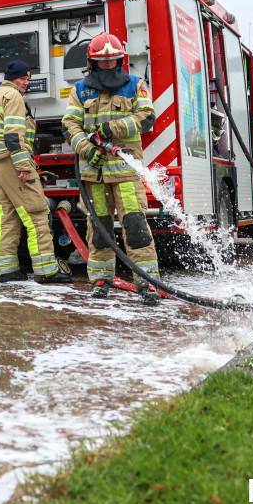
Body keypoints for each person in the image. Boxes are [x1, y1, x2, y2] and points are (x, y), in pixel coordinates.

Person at [62, 34, 161, 305]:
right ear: (93, 63)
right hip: (93, 173)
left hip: (125, 172)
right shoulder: (80, 89)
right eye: (102, 62)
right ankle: (101, 281)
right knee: (99, 228)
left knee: (135, 226)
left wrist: (111, 129)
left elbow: (147, 117)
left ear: (120, 60)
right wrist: (87, 148)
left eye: (112, 61)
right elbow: (70, 124)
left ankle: (147, 282)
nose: (108, 66)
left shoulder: (135, 86)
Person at [0, 60, 71, 284]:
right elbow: (13, 136)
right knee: (36, 213)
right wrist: (23, 166)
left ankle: (8, 269)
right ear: (13, 78)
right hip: (11, 162)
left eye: (28, 79)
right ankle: (46, 270)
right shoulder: (13, 97)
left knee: (7, 217)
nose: (26, 83)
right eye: (23, 79)